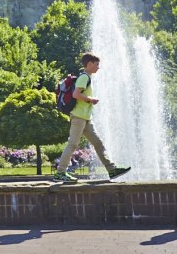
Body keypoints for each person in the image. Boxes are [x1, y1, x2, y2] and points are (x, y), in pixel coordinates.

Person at [53, 52, 131, 182]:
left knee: (98, 143)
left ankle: (111, 169)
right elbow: (75, 94)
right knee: (72, 144)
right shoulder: (84, 78)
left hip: (86, 118)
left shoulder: (87, 77)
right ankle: (60, 172)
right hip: (78, 117)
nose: (98, 67)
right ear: (89, 64)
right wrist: (91, 99)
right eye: (96, 64)